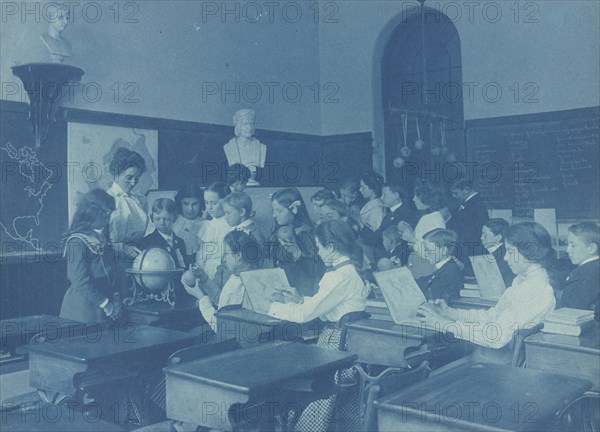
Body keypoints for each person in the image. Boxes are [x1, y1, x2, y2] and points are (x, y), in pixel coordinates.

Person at [267, 219, 369, 432]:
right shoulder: (351, 271)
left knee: (281, 372)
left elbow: (304, 316)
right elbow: (326, 306)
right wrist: (300, 299)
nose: (318, 252)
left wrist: (270, 307)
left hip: (334, 348)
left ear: (331, 248)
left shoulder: (337, 276)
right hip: (346, 347)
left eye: (319, 247)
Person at [417, 222, 556, 365]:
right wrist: (451, 313)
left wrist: (444, 324)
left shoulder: (536, 290)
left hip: (496, 365)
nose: (505, 258)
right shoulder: (522, 281)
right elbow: (493, 316)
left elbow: (496, 336)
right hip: (488, 357)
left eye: (510, 252)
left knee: (428, 371)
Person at [60, 189, 121, 323]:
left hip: (105, 304)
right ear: (91, 212)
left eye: (110, 213)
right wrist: (106, 304)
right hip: (83, 308)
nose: (108, 218)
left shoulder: (101, 238)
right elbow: (80, 281)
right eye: (105, 213)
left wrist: (115, 299)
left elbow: (112, 272)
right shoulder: (76, 241)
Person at [182, 231, 260, 333]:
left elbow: (219, 325)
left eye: (226, 254)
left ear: (238, 256)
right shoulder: (254, 275)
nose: (223, 258)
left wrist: (201, 297)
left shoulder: (236, 283)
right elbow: (225, 304)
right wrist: (205, 279)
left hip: (232, 339)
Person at [267, 188, 324, 297]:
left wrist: (296, 253)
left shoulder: (305, 233)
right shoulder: (278, 231)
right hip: (282, 287)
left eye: (279, 211)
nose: (274, 215)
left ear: (293, 209)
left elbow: (316, 271)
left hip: (302, 291)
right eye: (274, 210)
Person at [398, 179, 447, 278]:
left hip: (426, 271)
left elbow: (431, 254)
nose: (414, 199)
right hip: (420, 268)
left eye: (417, 195)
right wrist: (410, 232)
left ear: (427, 197)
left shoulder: (434, 220)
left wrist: (412, 239)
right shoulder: (427, 218)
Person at [106, 147, 148, 260]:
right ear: (117, 173)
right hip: (110, 260)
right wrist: (122, 248)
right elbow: (99, 239)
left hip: (135, 257)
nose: (133, 183)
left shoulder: (136, 201)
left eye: (136, 179)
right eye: (129, 177)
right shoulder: (106, 199)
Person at [560, 222, 600, 320]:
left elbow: (571, 312)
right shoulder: (594, 269)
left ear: (591, 248)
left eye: (573, 245)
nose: (568, 250)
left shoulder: (584, 275)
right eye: (567, 244)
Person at [415, 228, 463, 303]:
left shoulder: (450, 271)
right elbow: (426, 280)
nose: (425, 254)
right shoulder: (443, 267)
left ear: (443, 251)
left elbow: (443, 298)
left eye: (428, 250)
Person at [138, 198, 188, 269]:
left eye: (167, 219)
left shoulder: (180, 242)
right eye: (157, 219)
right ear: (152, 218)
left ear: (175, 218)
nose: (162, 223)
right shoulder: (147, 242)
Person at [447, 178, 489, 261]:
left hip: (470, 251)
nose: (453, 196)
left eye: (456, 193)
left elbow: (479, 230)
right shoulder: (466, 203)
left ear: (466, 190)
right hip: (464, 248)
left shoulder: (477, 204)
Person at [196, 182, 232, 279]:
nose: (209, 207)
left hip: (222, 273)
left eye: (214, 203)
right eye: (206, 203)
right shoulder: (206, 225)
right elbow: (201, 254)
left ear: (225, 202)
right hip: (205, 271)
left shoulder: (230, 225)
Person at [223, 109, 267, 185]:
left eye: (252, 124)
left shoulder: (262, 147)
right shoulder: (229, 147)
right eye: (245, 124)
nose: (249, 127)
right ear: (238, 126)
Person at [221, 192, 266, 259]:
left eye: (228, 213)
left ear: (242, 212)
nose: (225, 217)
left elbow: (259, 259)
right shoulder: (233, 231)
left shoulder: (254, 234)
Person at [358, 171, 387, 261]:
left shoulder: (377, 209)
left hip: (372, 251)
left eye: (363, 187)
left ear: (372, 188)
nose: (360, 190)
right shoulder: (370, 204)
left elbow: (378, 236)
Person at [173, 185, 206, 264]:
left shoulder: (206, 224)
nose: (190, 209)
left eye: (195, 204)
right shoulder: (173, 222)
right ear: (180, 203)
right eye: (186, 204)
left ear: (201, 203)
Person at [480, 218, 515, 288]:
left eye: (485, 235)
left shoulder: (503, 256)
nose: (481, 238)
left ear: (498, 237)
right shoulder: (494, 252)